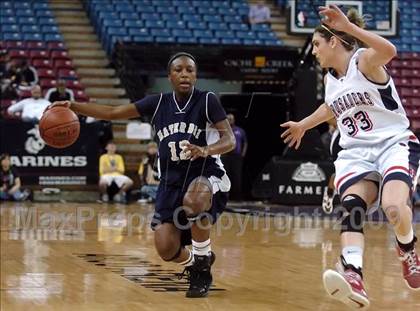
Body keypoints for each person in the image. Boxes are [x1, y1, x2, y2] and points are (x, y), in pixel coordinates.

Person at [48, 52, 236, 298]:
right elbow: (114, 112)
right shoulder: (157, 103)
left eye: (190, 70)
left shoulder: (207, 100)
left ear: (196, 75)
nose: (184, 74)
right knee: (166, 249)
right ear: (169, 76)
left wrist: (205, 150)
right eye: (178, 70)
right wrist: (74, 105)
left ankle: (201, 270)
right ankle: (196, 260)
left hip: (205, 172)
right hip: (170, 182)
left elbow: (229, 139)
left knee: (195, 200)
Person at [281, 5, 420, 309]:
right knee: (353, 207)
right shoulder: (331, 79)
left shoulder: (365, 62)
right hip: (356, 152)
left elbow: (390, 49)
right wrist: (304, 124)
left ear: (333, 41)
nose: (314, 50)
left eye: (317, 43)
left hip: (393, 143)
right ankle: (353, 273)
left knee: (394, 208)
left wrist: (351, 29)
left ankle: (407, 248)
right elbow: (332, 107)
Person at [221, 113, 247, 200]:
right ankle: (225, 197)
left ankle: (237, 197)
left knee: (237, 176)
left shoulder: (240, 130)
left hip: (237, 157)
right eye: (228, 119)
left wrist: (243, 153)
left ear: (234, 120)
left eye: (231, 118)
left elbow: (245, 142)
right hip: (225, 156)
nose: (230, 120)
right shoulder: (223, 130)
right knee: (225, 175)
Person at [321, 118, 340, 214]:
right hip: (340, 139)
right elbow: (327, 117)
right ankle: (329, 193)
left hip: (361, 140)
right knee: (338, 173)